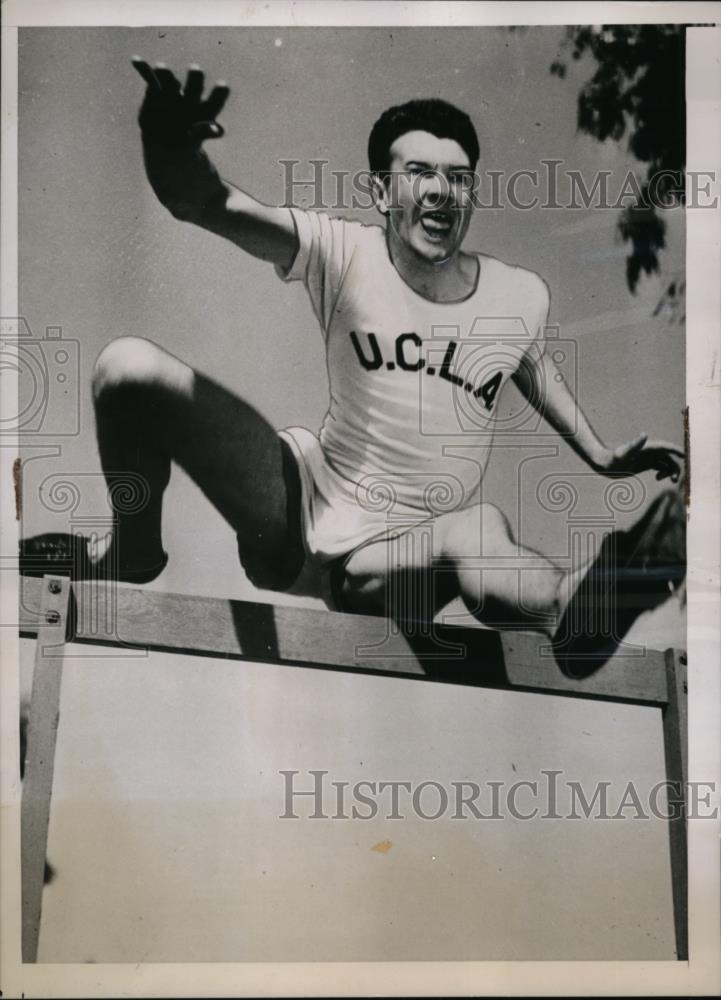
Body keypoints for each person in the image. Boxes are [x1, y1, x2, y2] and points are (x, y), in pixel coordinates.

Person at [21, 59, 686, 676]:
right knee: (126, 370)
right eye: (419, 173)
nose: (441, 193)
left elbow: (531, 365)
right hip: (302, 501)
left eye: (458, 178)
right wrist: (167, 146)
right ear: (380, 190)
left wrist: (600, 455)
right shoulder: (341, 251)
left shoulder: (517, 295)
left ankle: (572, 611)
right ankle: (132, 550)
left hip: (389, 556)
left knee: (476, 529)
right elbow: (204, 202)